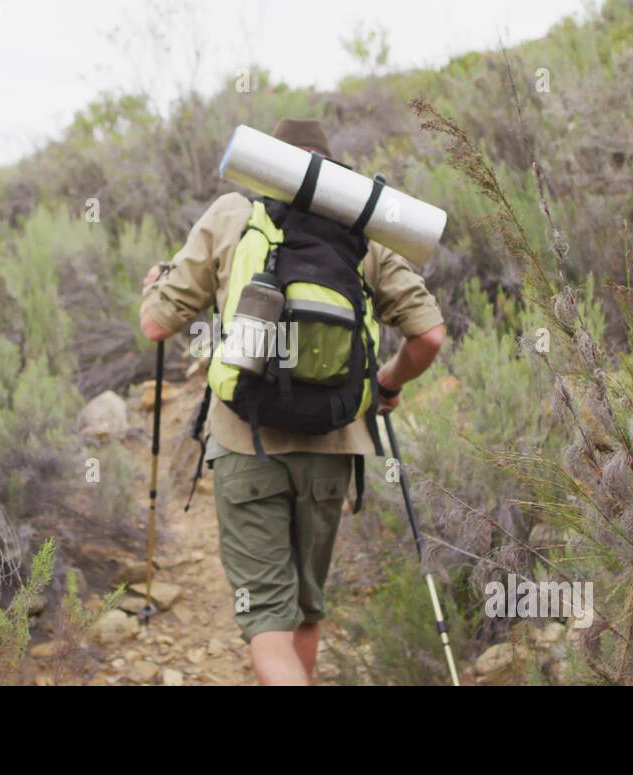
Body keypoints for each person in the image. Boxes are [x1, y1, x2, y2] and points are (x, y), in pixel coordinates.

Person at [139, 118, 445, 685]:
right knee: (306, 610)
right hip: (333, 445)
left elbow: (157, 326)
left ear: (271, 166)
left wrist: (154, 288)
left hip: (245, 443)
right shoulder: (366, 232)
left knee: (265, 623)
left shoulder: (232, 217)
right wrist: (386, 385)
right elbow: (428, 337)